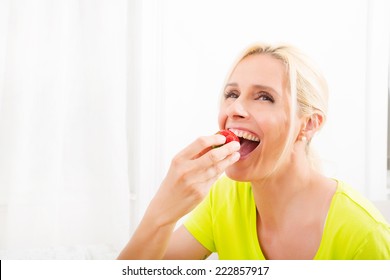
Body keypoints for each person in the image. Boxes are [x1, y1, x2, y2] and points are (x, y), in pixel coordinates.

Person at [117, 43, 390, 260]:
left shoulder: (364, 234)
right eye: (232, 94)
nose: (235, 109)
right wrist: (162, 211)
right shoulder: (224, 199)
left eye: (264, 97)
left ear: (307, 124)